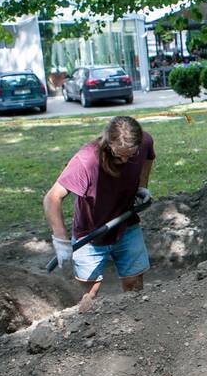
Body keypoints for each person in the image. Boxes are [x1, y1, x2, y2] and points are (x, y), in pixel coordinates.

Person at [44, 116, 156, 309]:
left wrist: (141, 186)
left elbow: (147, 157)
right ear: (108, 143)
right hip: (90, 234)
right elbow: (52, 198)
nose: (124, 160)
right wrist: (61, 240)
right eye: (118, 155)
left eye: (130, 155)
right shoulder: (86, 161)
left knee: (135, 287)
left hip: (126, 224)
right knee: (90, 294)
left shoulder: (144, 141)